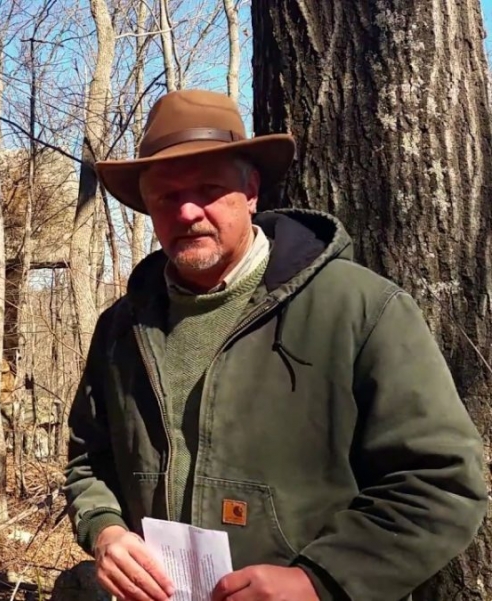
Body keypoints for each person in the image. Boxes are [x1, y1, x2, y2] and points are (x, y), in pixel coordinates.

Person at [62, 88, 487, 601]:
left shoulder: (359, 309)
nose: (189, 211)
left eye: (208, 188)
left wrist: (318, 580)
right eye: (168, 197)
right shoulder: (122, 328)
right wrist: (105, 530)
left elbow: (440, 483)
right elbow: (89, 459)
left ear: (252, 192)